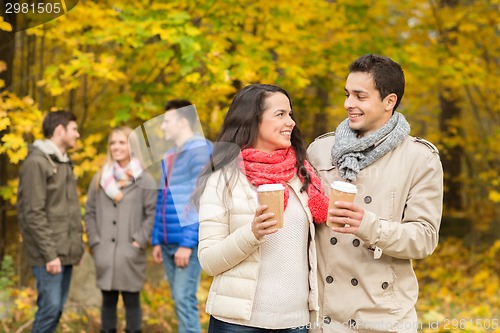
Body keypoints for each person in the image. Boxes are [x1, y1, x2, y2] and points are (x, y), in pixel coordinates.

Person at [307, 54, 444, 333]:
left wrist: (369, 226)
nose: (348, 104)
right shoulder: (320, 150)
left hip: (382, 318)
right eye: (347, 94)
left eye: (360, 96)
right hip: (322, 317)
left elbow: (424, 238)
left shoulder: (420, 158)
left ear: (389, 101)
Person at [193, 84, 330, 333]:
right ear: (253, 120)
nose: (290, 122)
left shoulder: (304, 175)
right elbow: (209, 261)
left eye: (291, 114)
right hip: (238, 324)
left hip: (296, 323)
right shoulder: (223, 179)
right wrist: (252, 233)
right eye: (280, 114)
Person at [16, 110, 85, 333]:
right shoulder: (36, 163)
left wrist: (77, 248)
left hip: (64, 252)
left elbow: (68, 211)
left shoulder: (64, 163)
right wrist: (50, 255)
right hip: (49, 255)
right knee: (50, 309)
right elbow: (33, 213)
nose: (78, 134)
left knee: (55, 310)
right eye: (74, 129)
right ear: (59, 130)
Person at [84, 126, 156, 333]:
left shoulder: (145, 180)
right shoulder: (100, 178)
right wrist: (95, 242)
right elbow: (89, 212)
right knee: (107, 303)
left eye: (121, 142)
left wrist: (139, 241)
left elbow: (151, 214)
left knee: (132, 302)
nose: (116, 147)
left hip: (130, 252)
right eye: (113, 143)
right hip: (104, 251)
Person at [151, 100, 212, 333]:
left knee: (184, 300)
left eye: (167, 121)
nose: (163, 126)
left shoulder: (199, 151)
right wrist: (156, 238)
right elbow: (163, 198)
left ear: (183, 122)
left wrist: (187, 244)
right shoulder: (169, 155)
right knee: (179, 301)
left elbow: (200, 198)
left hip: (186, 243)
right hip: (167, 242)